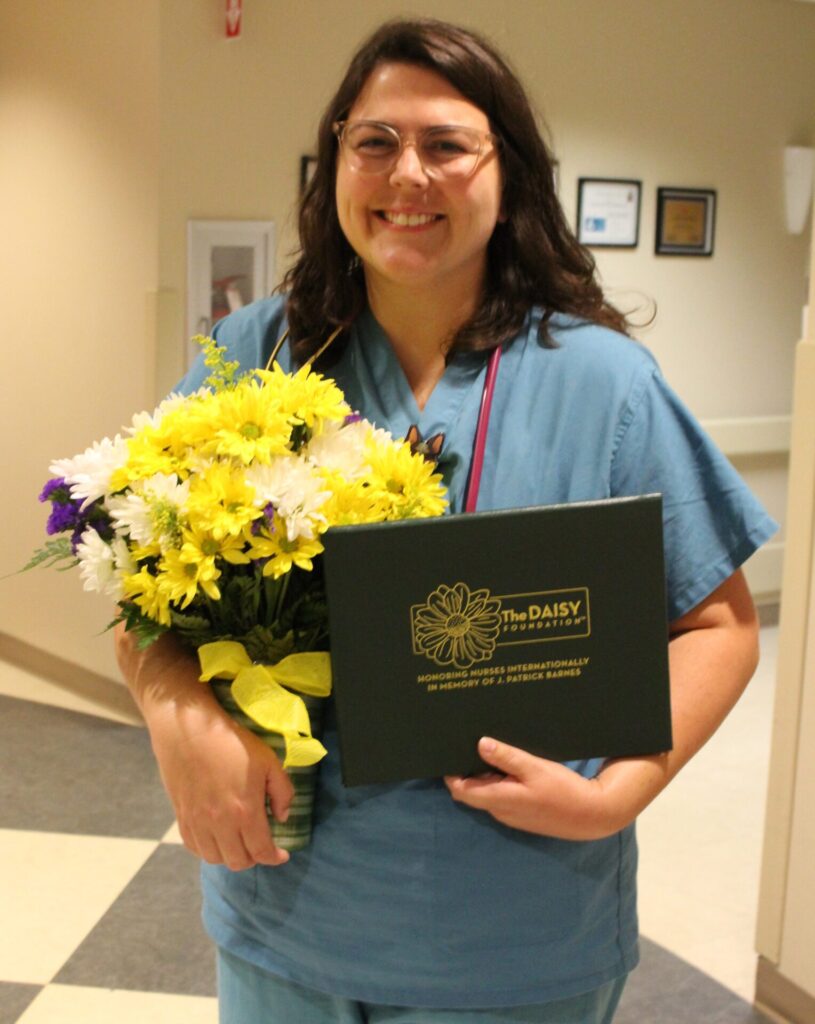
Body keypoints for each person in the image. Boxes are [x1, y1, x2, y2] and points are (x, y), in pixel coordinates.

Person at [115, 17, 777, 1024]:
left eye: (446, 144)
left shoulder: (602, 383)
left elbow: (717, 626)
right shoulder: (253, 356)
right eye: (373, 141)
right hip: (285, 911)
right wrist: (176, 712)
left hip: (516, 930)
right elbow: (140, 594)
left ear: (505, 169)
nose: (406, 175)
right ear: (332, 160)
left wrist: (618, 793)